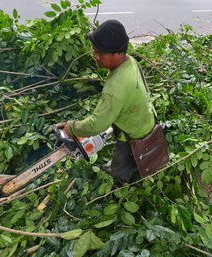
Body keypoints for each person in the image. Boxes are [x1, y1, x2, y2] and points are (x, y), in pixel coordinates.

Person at [63, 20, 156, 183]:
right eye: (94, 51)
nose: (95, 57)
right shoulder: (130, 61)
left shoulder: (117, 87)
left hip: (133, 137)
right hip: (146, 120)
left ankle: (120, 187)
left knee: (120, 168)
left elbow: (96, 125)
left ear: (118, 53)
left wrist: (72, 128)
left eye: (101, 53)